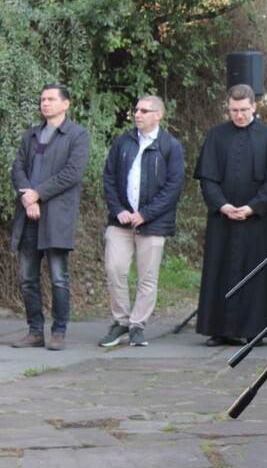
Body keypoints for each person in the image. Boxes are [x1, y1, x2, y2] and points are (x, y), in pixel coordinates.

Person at [194, 84, 267, 347]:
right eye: (234, 110)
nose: (239, 115)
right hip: (222, 219)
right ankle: (220, 330)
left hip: (255, 220)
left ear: (254, 107)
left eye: (244, 110)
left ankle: (254, 330)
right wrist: (222, 205)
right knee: (219, 269)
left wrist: (253, 207)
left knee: (256, 273)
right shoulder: (216, 136)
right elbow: (207, 179)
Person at [98, 95, 185, 347]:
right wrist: (118, 209)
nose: (138, 114)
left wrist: (146, 214)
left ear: (158, 115)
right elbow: (109, 177)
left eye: (144, 111)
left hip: (153, 223)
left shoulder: (170, 146)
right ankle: (121, 322)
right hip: (121, 221)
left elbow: (173, 187)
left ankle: (138, 326)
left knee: (148, 277)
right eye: (136, 110)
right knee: (115, 269)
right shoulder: (122, 142)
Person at [9, 84, 90, 351]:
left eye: (51, 99)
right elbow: (18, 168)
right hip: (28, 215)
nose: (45, 103)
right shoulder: (32, 134)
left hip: (57, 216)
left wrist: (38, 194)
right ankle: (35, 332)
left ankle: (58, 332)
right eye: (43, 99)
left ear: (65, 104)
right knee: (28, 279)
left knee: (58, 278)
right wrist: (28, 197)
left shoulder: (77, 135)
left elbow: (72, 173)